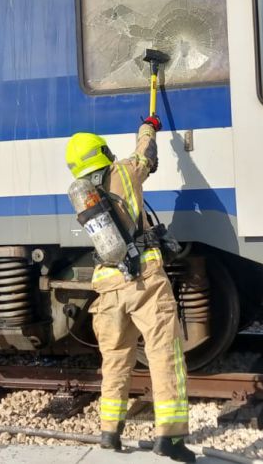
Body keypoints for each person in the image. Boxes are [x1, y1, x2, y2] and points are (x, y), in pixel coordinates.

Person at [64, 117, 195, 463]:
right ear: (103, 152)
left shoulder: (83, 195)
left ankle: (110, 433)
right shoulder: (122, 172)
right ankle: (171, 438)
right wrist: (148, 127)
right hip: (144, 281)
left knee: (116, 361)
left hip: (107, 287)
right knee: (164, 355)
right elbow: (146, 156)